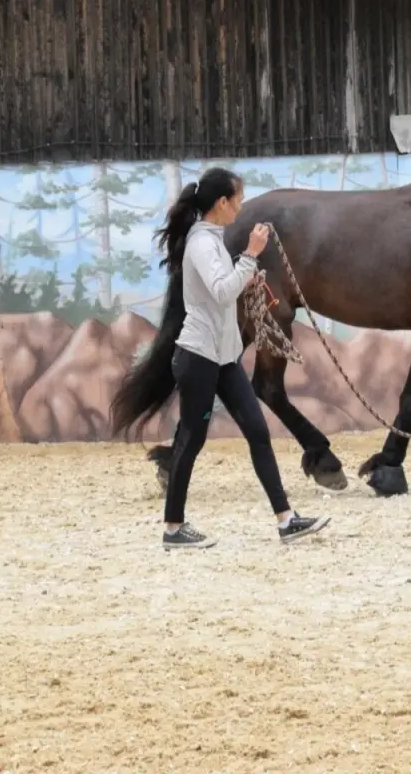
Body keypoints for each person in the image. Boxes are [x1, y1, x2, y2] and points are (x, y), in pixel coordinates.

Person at [110, 167, 330, 549]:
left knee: (258, 433)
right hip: (198, 358)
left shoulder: (211, 239)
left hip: (224, 357)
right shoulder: (201, 244)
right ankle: (174, 529)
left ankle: (286, 520)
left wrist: (250, 273)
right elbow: (221, 291)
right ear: (221, 203)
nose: (241, 207)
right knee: (190, 441)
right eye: (238, 200)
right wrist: (250, 256)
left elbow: (226, 290)